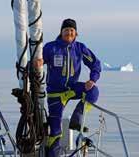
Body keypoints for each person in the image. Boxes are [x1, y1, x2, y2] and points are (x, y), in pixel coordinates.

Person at [43, 18, 101, 156]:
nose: (69, 32)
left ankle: (77, 119)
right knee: (55, 132)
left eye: (71, 30)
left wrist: (92, 79)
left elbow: (95, 64)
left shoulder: (80, 48)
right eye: (66, 30)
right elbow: (40, 60)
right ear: (61, 32)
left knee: (93, 92)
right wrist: (37, 63)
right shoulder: (51, 47)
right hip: (55, 93)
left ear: (76, 33)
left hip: (72, 89)